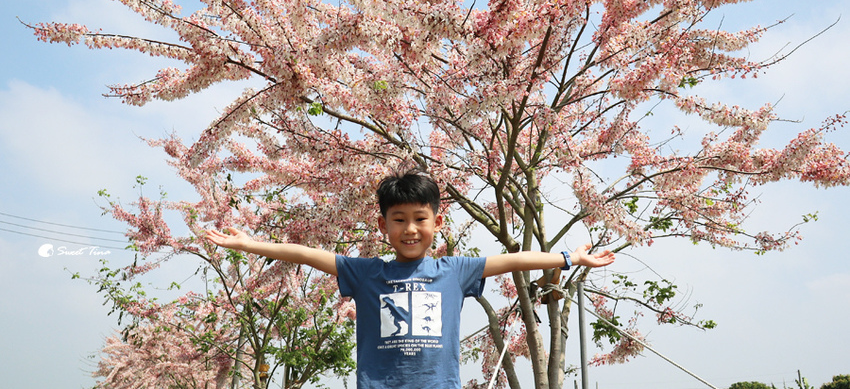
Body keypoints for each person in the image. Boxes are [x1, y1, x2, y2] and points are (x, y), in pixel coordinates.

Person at [206, 169, 615, 389]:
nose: (410, 230)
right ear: (383, 225)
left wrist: (568, 257)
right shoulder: (367, 272)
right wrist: (250, 244)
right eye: (398, 220)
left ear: (437, 222)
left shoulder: (454, 271)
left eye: (420, 219)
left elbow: (515, 259)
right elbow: (306, 254)